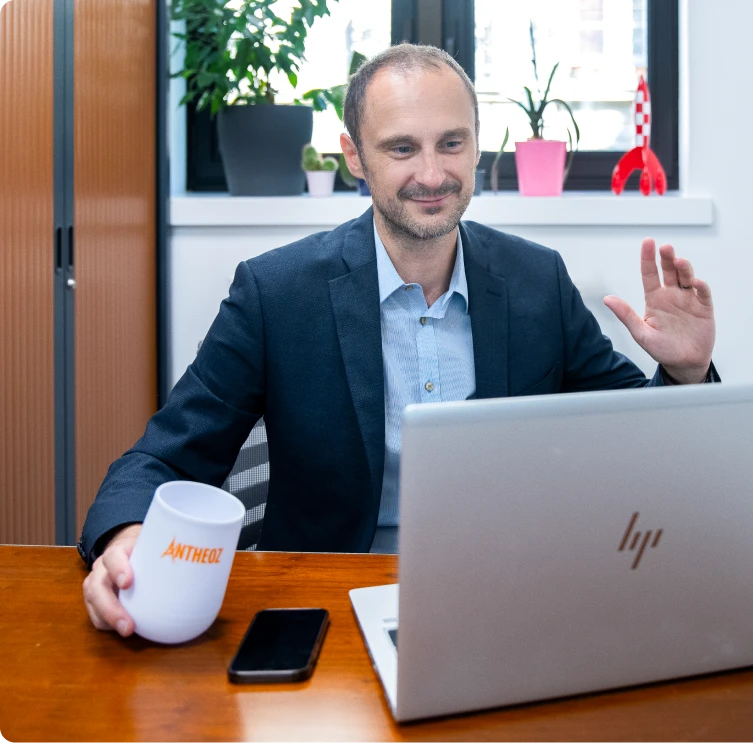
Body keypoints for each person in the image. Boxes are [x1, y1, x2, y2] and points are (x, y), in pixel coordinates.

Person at [80, 44, 718, 637]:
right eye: (401, 148)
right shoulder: (276, 293)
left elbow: (641, 440)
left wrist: (687, 373)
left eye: (451, 143)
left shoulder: (537, 281)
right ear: (355, 156)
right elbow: (160, 460)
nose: (432, 173)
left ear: (476, 148)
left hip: (511, 594)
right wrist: (126, 537)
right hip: (332, 600)